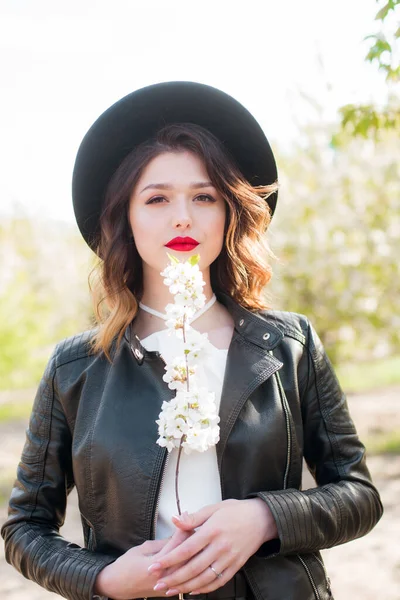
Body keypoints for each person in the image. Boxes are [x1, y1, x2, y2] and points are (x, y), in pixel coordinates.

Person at [1, 81, 383, 600]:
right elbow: (24, 527)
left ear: (229, 213)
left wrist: (264, 518)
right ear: (126, 219)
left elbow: (358, 495)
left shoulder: (288, 345)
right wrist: (104, 579)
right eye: (157, 198)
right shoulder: (75, 368)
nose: (182, 215)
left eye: (204, 196)